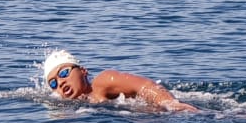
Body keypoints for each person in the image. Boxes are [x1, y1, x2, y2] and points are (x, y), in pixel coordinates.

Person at [42, 50, 198, 112]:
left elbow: (144, 86)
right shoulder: (68, 108)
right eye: (54, 83)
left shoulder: (101, 83)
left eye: (63, 73)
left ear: (83, 71)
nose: (61, 82)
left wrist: (169, 103)